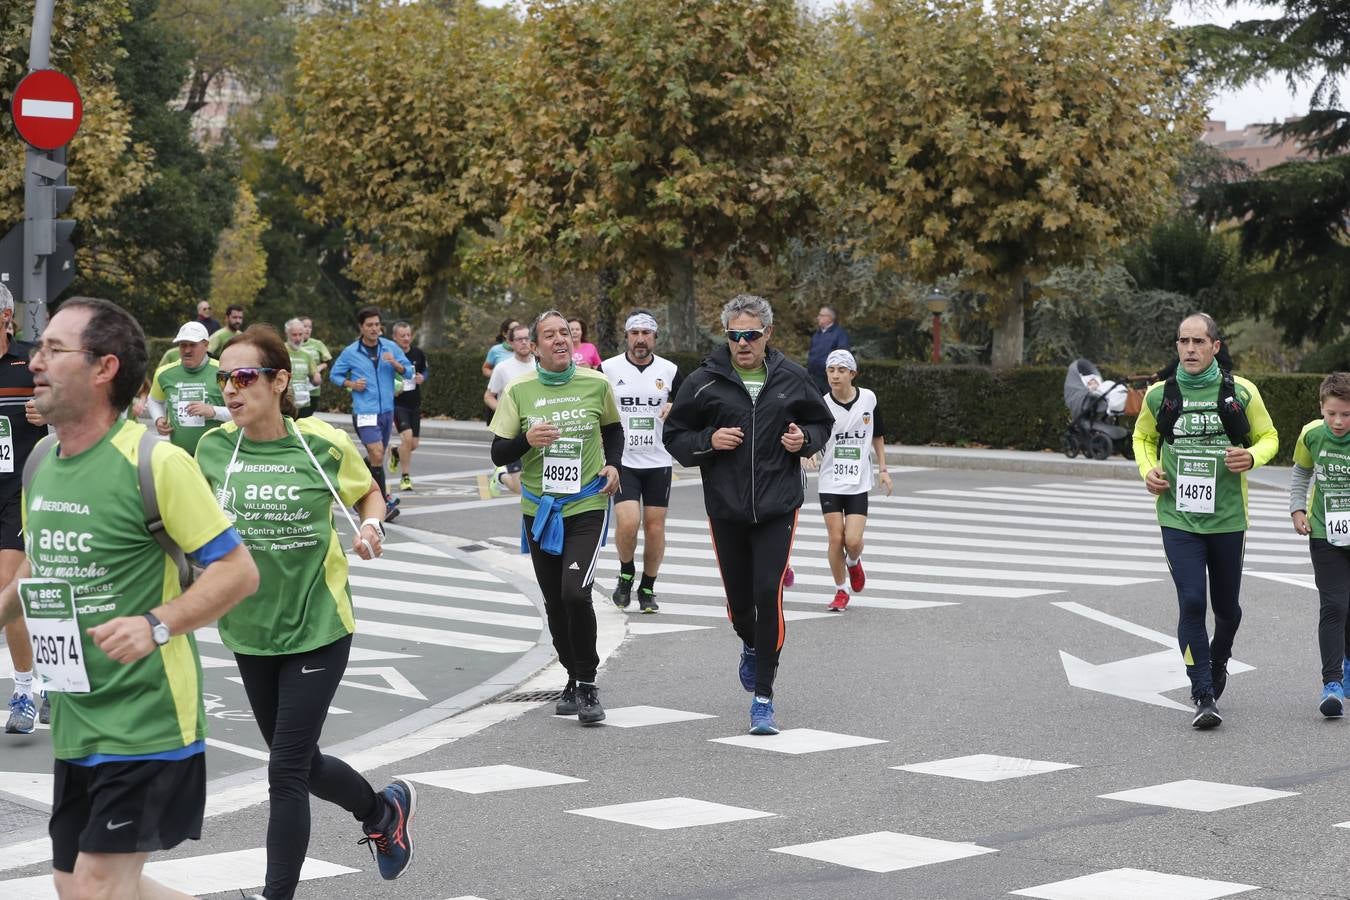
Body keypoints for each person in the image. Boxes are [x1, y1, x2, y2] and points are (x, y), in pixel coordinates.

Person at [0, 296, 258, 899]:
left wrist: (156, 623)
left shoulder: (155, 463)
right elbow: (44, 562)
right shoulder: (42, 461)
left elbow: (238, 572)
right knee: (75, 883)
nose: (35, 361)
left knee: (96, 887)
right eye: (38, 348)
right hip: (76, 712)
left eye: (54, 350)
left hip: (148, 717)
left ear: (103, 368)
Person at [196, 325, 415, 898]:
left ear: (280, 381)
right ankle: (382, 812)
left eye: (244, 377)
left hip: (317, 627)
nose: (231, 389)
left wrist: (370, 524)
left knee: (284, 773)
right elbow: (187, 526)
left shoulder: (319, 443)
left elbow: (369, 492)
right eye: (224, 378)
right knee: (303, 762)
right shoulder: (214, 448)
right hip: (248, 629)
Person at [664, 294, 834, 735]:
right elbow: (675, 434)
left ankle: (763, 699)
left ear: (767, 335)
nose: (743, 343)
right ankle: (751, 645)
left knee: (767, 594)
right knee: (741, 606)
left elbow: (821, 423)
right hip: (727, 507)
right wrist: (708, 440)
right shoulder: (703, 381)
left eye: (751, 335)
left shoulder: (792, 377)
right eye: (735, 335)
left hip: (778, 505)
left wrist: (805, 440)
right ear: (727, 336)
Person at [1132, 312, 1278, 729]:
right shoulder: (1161, 394)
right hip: (1178, 517)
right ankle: (1202, 692)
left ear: (1215, 346)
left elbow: (1269, 437)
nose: (1190, 349)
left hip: (1229, 517)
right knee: (1193, 601)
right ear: (1177, 346)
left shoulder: (1241, 391)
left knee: (1228, 610)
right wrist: (1147, 470)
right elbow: (1143, 438)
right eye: (1183, 342)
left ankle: (1220, 659)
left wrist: (1252, 456)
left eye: (1199, 342)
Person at [489, 310, 621, 726]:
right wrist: (525, 440)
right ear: (535, 346)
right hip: (541, 509)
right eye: (550, 335)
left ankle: (587, 683)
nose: (559, 340)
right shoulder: (519, 389)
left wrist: (614, 464)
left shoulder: (596, 382)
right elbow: (498, 453)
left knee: (575, 593)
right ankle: (569, 673)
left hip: (587, 502)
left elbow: (613, 429)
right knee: (554, 602)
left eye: (564, 333)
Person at [603, 310, 682, 614]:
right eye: (634, 333)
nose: (640, 339)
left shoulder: (670, 370)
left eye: (645, 334)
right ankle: (626, 573)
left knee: (654, 527)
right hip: (622, 459)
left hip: (658, 460)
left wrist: (677, 406)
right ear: (627, 336)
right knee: (627, 522)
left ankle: (647, 586)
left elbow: (688, 405)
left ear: (654, 337)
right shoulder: (608, 368)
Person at [0, 285, 50, 735]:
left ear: (5, 317)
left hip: (20, 493)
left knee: (9, 587)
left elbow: (74, 409)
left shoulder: (30, 361)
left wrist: (47, 412)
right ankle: (51, 673)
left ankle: (23, 692)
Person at [812, 350, 892, 611]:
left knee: (853, 540)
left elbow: (877, 435)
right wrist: (809, 452)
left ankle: (854, 563)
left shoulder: (868, 398)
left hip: (858, 480)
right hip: (830, 480)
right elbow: (815, 435)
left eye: (841, 370)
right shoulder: (821, 404)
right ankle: (840, 590)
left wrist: (883, 469)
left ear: (852, 374)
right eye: (831, 370)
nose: (835, 375)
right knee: (836, 539)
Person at [1290, 372, 1350, 717]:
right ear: (1321, 409)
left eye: (1345, 414)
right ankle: (1332, 684)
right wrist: (1298, 509)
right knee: (1333, 606)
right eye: (1331, 414)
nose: (1338, 422)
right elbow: (1301, 472)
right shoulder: (1312, 434)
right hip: (1326, 534)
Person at [329, 307, 411, 522]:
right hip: (364, 411)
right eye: (369, 325)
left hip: (386, 411)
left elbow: (409, 370)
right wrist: (351, 384)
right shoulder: (351, 352)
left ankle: (362, 472)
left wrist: (395, 364)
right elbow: (334, 375)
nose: (374, 329)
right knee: (376, 453)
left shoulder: (390, 347)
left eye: (377, 324)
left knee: (378, 456)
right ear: (361, 328)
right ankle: (382, 502)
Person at [147, 321, 230, 455]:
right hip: (181, 456)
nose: (187, 350)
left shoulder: (222, 372)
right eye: (183, 345)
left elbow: (242, 412)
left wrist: (213, 411)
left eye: (192, 345)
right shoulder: (164, 374)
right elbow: (154, 400)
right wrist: (159, 418)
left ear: (206, 345)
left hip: (216, 456)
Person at [483, 324, 536, 496]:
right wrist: (504, 412)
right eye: (519, 339)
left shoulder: (541, 365)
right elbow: (488, 396)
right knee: (520, 488)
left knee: (534, 485)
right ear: (511, 342)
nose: (524, 342)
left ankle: (500, 476)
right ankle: (501, 476)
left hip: (536, 427)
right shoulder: (503, 368)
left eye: (527, 338)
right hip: (513, 430)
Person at [388, 321, 428, 492]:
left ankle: (396, 452)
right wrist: (393, 389)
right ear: (394, 337)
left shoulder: (418, 353)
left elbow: (425, 370)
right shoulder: (390, 355)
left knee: (413, 444)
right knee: (407, 438)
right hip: (398, 404)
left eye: (408, 335)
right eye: (402, 335)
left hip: (414, 403)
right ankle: (405, 477)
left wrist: (422, 378)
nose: (406, 338)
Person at [806, 306, 850, 396]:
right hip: (814, 376)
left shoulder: (839, 334)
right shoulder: (817, 334)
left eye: (821, 315)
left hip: (829, 378)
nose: (818, 318)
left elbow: (842, 355)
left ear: (830, 318)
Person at [284, 318, 322, 418]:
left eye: (300, 334)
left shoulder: (307, 355)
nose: (298, 338)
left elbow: (314, 376)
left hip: (304, 404)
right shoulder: (281, 351)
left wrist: (316, 378)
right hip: (286, 404)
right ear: (287, 334)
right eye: (294, 335)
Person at [299, 316, 332, 410]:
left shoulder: (317, 344)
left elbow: (328, 362)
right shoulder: (290, 346)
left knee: (308, 418)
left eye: (310, 327)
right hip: (296, 391)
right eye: (305, 326)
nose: (307, 329)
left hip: (313, 389)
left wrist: (318, 368)